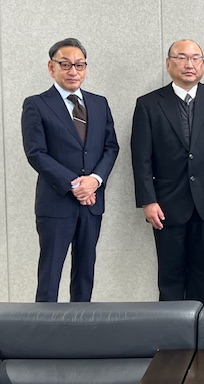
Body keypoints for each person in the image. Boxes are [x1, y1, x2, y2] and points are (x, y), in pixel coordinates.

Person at [131, 39, 204, 303]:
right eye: (181, 57)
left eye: (195, 58)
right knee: (170, 277)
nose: (189, 64)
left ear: (202, 64)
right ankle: (171, 329)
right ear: (168, 64)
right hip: (166, 204)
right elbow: (141, 158)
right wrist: (148, 200)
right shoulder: (148, 104)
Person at [21, 38, 119, 302]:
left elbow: (111, 147)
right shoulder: (37, 104)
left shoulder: (99, 103)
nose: (73, 71)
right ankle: (44, 326)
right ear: (51, 67)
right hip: (56, 202)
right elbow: (36, 153)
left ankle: (81, 324)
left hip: (92, 202)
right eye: (65, 64)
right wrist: (75, 184)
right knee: (50, 275)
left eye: (79, 65)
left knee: (85, 273)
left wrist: (95, 180)